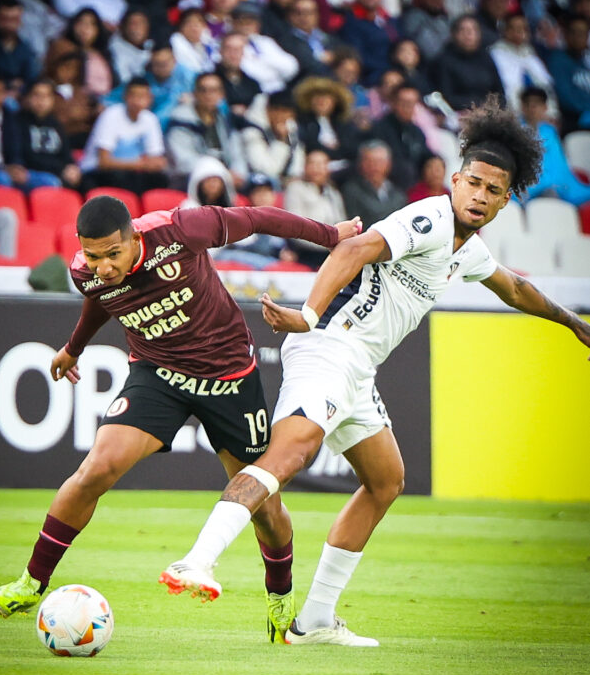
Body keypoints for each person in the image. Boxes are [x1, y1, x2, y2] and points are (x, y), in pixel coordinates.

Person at [160, 96, 590, 646]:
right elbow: (356, 248)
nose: (480, 196)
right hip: (328, 347)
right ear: (455, 180)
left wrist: (571, 321)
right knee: (290, 455)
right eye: (474, 183)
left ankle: (314, 620)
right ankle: (197, 561)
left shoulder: (466, 248)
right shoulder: (430, 218)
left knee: (385, 481)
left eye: (493, 190)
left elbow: (514, 286)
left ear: (506, 200)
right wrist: (309, 314)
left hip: (357, 366)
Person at [0, 193, 361, 647]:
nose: (101, 265)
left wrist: (327, 235)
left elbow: (255, 217)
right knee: (94, 471)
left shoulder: (181, 229)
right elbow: (100, 298)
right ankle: (31, 583)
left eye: (112, 254)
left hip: (228, 378)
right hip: (157, 375)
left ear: (133, 237)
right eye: (92, 254)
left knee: (263, 504)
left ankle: (280, 598)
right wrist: (74, 348)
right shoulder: (87, 271)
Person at [80, 76, 166, 195]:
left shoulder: (150, 119)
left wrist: (150, 164)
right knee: (122, 178)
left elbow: (156, 160)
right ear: (125, 96)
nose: (137, 101)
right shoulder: (110, 115)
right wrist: (140, 164)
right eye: (134, 96)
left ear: (150, 99)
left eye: (142, 96)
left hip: (132, 173)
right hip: (97, 172)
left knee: (160, 179)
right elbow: (104, 162)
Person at [519, 86, 590, 207]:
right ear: (523, 107)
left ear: (545, 107)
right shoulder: (514, 130)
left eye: (537, 104)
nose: (533, 109)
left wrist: (555, 185)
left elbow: (558, 165)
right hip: (528, 189)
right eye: (529, 104)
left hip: (557, 188)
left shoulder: (550, 131)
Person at [340, 140, 407, 226]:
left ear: (389, 164)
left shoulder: (398, 193)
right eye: (369, 161)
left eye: (379, 161)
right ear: (361, 163)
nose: (374, 166)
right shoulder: (351, 191)